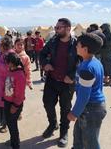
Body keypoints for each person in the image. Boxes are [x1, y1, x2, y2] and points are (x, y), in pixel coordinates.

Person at [40, 18, 78, 147]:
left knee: (65, 108)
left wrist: (72, 76)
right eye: (56, 27)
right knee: (47, 103)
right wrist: (45, 64)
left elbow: (83, 62)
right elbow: (42, 54)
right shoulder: (53, 41)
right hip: (52, 79)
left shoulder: (76, 44)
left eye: (58, 27)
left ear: (68, 28)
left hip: (67, 83)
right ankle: (52, 124)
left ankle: (63, 133)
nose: (56, 29)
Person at [67, 33, 106, 149]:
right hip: (89, 109)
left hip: (91, 109)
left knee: (90, 143)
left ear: (85, 49)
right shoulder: (94, 62)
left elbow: (84, 96)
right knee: (78, 136)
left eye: (78, 45)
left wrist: (74, 112)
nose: (76, 47)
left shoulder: (87, 68)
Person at [3, 52, 26, 149]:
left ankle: (16, 145)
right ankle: (13, 140)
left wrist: (15, 106)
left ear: (12, 63)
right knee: (9, 123)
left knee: (12, 125)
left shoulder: (20, 75)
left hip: (14, 104)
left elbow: (20, 94)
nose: (6, 64)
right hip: (7, 101)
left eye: (7, 62)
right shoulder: (10, 70)